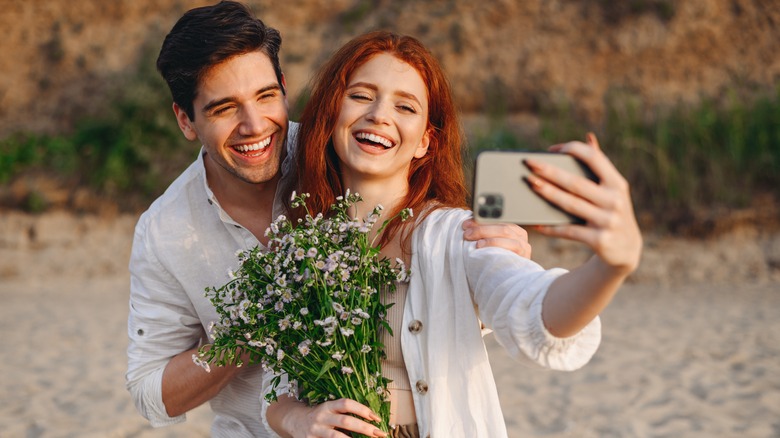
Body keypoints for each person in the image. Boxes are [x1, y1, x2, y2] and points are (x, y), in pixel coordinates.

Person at [125, 2, 533, 436]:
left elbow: (428, 253)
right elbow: (151, 392)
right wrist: (254, 325)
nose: (254, 125)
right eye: (224, 108)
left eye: (266, 96)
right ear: (185, 120)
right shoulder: (164, 231)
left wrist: (493, 261)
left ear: (284, 87)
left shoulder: (344, 153)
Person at [265, 31, 643, 438]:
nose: (378, 114)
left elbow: (533, 309)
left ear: (426, 142)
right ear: (330, 113)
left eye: (405, 106)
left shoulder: (453, 235)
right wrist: (299, 420)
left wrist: (609, 267)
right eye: (360, 95)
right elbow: (275, 387)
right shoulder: (301, 236)